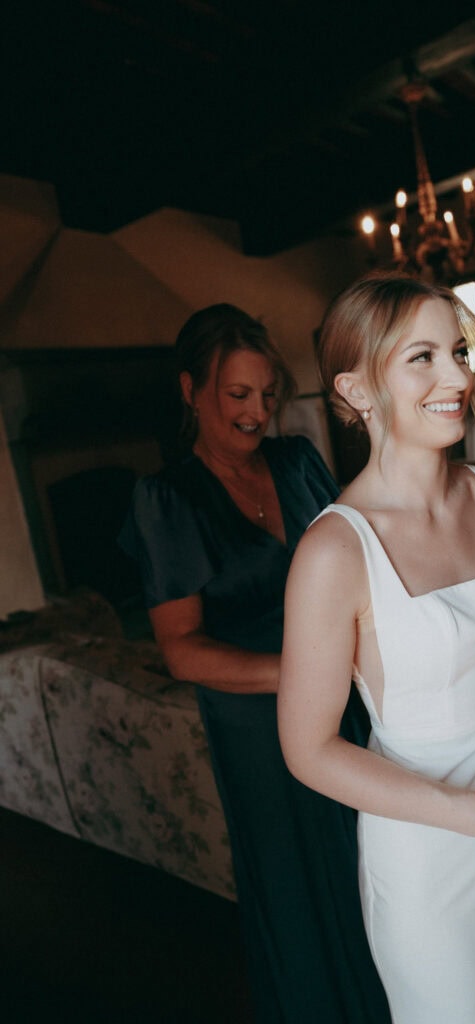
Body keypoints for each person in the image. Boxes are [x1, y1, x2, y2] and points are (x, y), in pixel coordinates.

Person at [278, 274, 475, 1024]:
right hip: (428, 857)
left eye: (457, 350)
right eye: (422, 357)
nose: (458, 376)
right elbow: (308, 750)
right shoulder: (333, 551)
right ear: (355, 390)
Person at [120, 303, 391, 1024]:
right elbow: (181, 652)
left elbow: (359, 560)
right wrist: (309, 672)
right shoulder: (167, 501)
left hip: (348, 698)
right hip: (258, 729)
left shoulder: (298, 461)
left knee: (377, 863)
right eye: (238, 395)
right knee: (302, 888)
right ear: (191, 390)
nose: (258, 412)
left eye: (267, 395)